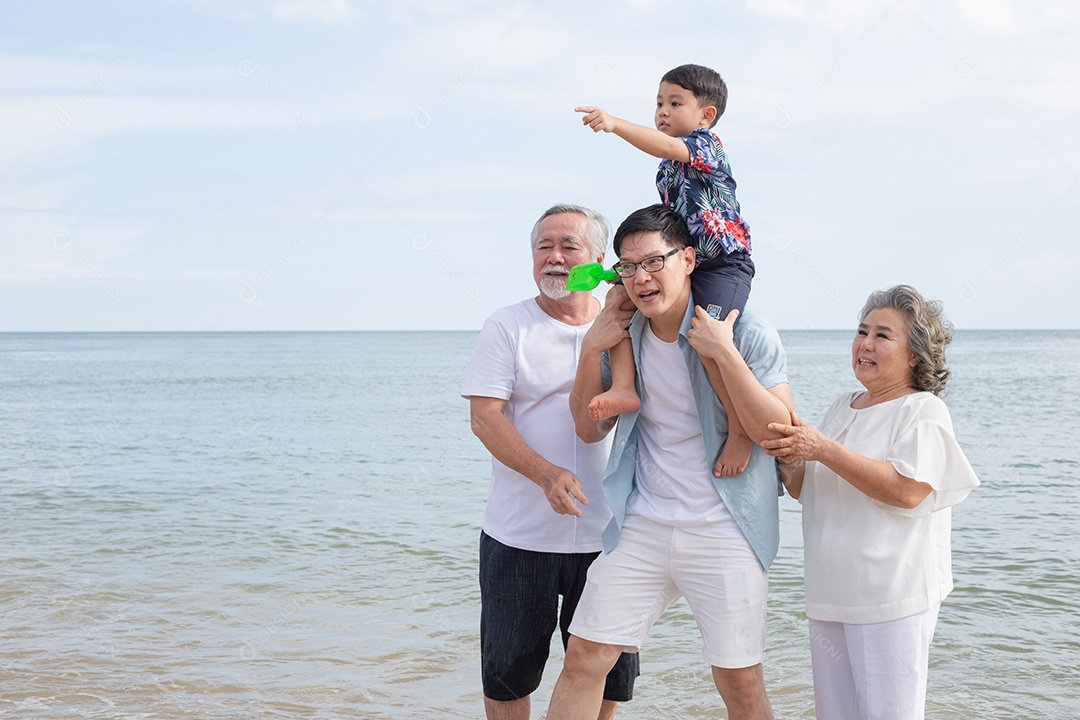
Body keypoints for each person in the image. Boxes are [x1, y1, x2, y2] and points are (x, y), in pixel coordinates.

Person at [545, 204, 792, 720]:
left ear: (688, 259)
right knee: (583, 657)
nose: (641, 278)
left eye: (654, 261)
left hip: (725, 526)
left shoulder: (747, 331)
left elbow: (778, 432)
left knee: (740, 682)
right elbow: (588, 427)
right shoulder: (623, 331)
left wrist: (723, 352)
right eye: (629, 266)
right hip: (645, 522)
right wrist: (593, 349)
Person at [762, 285, 980, 720]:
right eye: (862, 331)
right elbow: (811, 490)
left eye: (883, 335)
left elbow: (906, 490)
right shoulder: (843, 406)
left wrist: (821, 448)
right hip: (830, 591)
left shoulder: (923, 411)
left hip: (892, 597)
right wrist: (789, 460)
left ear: (915, 355)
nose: (865, 343)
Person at [461, 204, 639, 720]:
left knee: (607, 675)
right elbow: (485, 419)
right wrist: (546, 474)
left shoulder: (630, 327)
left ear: (600, 258)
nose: (554, 258)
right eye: (544, 246)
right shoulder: (507, 325)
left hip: (612, 537)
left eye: (569, 247)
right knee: (507, 674)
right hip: (519, 536)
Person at [575, 63, 755, 478]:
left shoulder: (706, 146)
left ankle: (740, 429)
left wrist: (615, 124)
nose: (662, 111)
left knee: (708, 337)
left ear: (706, 115)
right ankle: (623, 387)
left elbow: (663, 145)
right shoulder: (667, 168)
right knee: (618, 302)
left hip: (723, 262)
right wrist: (632, 267)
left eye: (675, 103)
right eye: (659, 103)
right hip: (683, 261)